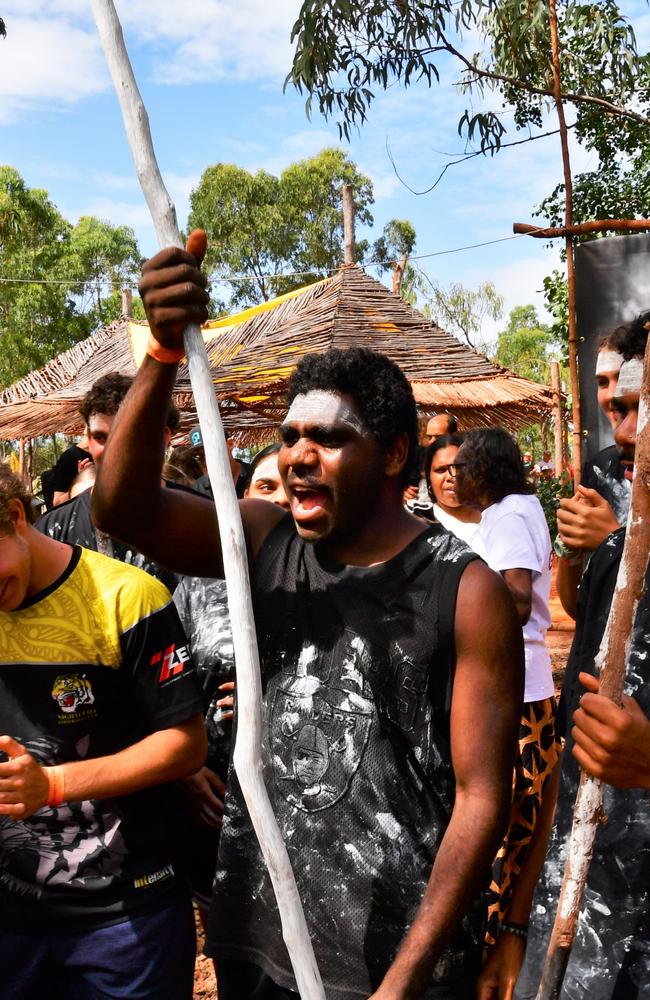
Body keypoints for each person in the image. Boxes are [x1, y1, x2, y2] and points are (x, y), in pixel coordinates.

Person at [92, 231, 524, 1000]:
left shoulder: (467, 591)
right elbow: (123, 507)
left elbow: (484, 798)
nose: (297, 456)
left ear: (395, 455)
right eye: (291, 437)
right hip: (258, 938)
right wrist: (160, 355)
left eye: (329, 438)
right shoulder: (264, 539)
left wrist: (406, 978)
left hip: (392, 962)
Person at [0, 462, 207, 998]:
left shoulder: (126, 599)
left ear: (17, 517)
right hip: (11, 921)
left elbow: (185, 744)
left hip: (125, 918)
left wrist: (52, 787)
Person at [514, 317, 650, 1000]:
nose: (625, 430)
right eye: (621, 405)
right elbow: (575, 753)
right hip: (586, 914)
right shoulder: (604, 476)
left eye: (643, 407)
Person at [173, 442, 288, 931]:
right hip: (217, 805)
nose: (279, 499)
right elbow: (164, 688)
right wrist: (186, 770)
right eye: (266, 486)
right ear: (241, 499)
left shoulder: (346, 584)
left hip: (318, 815)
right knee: (237, 946)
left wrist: (273, 700)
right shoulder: (198, 584)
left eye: (290, 488)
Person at [453, 429, 559, 952]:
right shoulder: (507, 513)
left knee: (511, 816)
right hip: (516, 681)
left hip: (519, 688)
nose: (453, 477)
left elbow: (516, 600)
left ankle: (501, 939)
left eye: (463, 467)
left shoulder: (512, 516)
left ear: (487, 472)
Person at [37, 372, 180, 592]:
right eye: (101, 437)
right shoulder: (52, 533)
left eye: (128, 433)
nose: (114, 449)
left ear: (162, 438)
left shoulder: (202, 524)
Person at [554, 317, 650, 619]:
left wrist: (613, 541)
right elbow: (582, 610)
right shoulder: (599, 469)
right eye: (601, 383)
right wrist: (568, 549)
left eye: (617, 378)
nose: (608, 397)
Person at [423, 433, 481, 545]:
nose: (451, 476)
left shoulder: (497, 516)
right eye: (441, 470)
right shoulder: (420, 525)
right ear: (429, 477)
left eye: (459, 468)